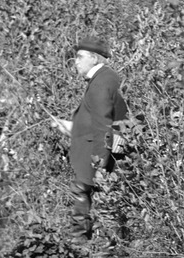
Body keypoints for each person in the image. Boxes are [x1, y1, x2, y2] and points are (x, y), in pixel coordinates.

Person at [50, 35, 128, 241]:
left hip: (94, 154)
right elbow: (98, 120)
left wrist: (100, 162)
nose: (75, 61)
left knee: (83, 192)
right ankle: (103, 243)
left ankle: (81, 242)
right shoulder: (104, 78)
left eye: (79, 57)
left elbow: (103, 125)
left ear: (94, 58)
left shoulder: (101, 83)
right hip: (93, 149)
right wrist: (70, 127)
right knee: (95, 195)